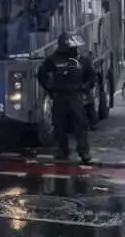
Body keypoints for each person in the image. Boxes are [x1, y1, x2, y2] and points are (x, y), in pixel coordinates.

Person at [37, 32, 95, 164]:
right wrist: (50, 89)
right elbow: (42, 74)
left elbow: (91, 76)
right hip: (60, 96)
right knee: (59, 125)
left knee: (80, 125)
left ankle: (84, 152)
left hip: (76, 96)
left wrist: (85, 87)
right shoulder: (53, 60)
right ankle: (63, 151)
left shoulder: (82, 60)